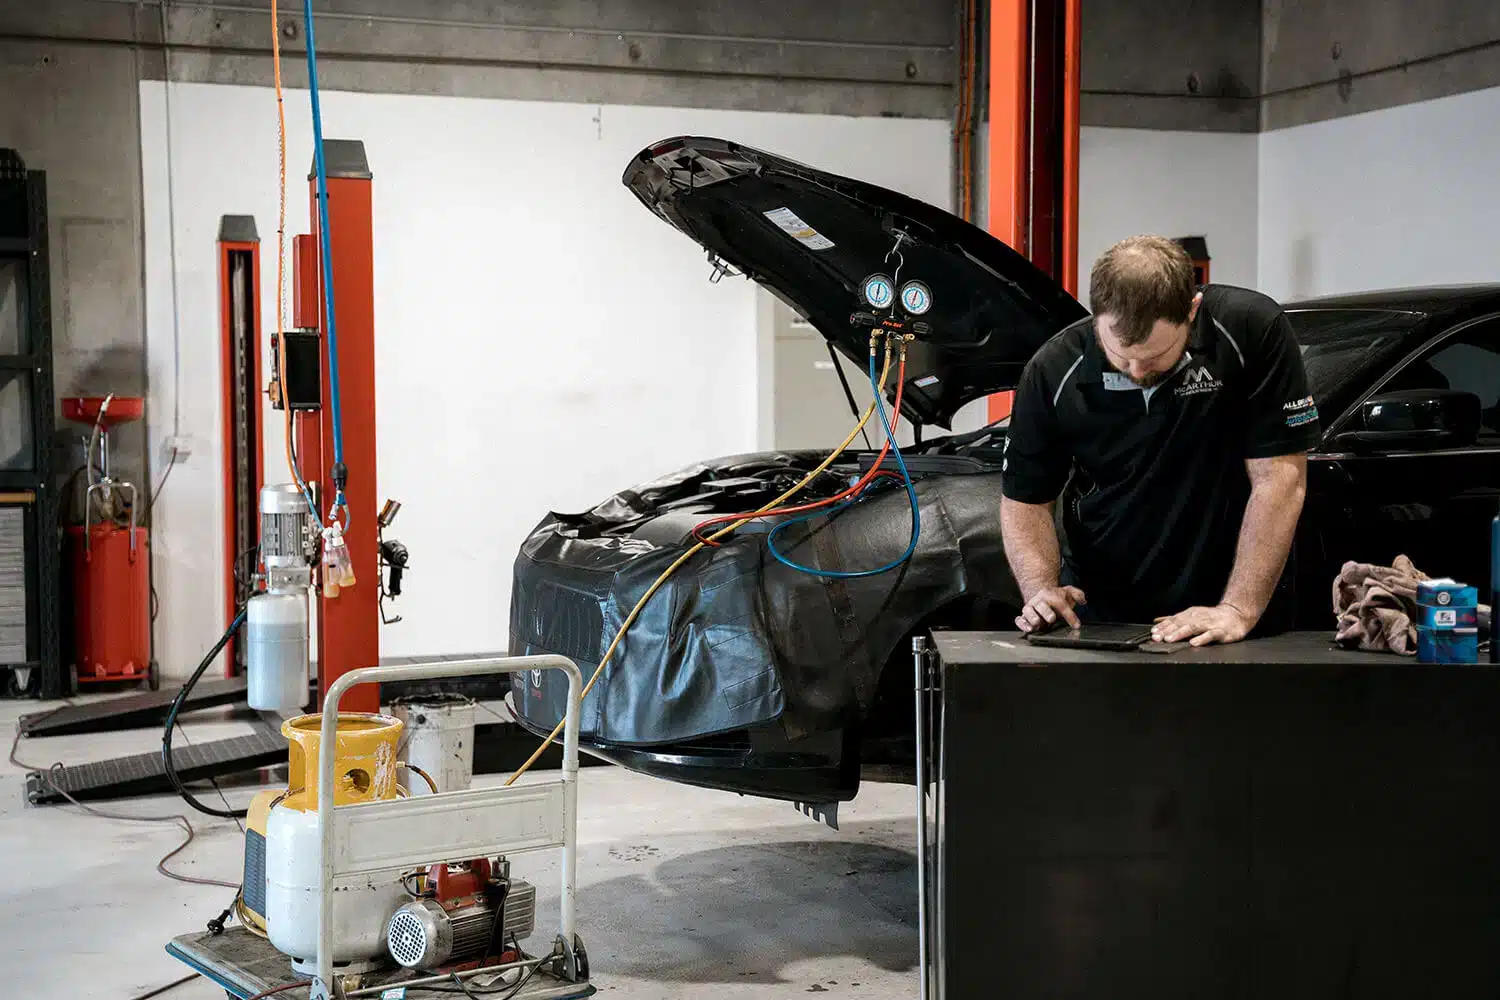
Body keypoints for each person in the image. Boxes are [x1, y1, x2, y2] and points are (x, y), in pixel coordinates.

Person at [998, 235, 1320, 646]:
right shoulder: (1052, 369)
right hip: (1105, 612)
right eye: (1120, 356)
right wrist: (1040, 591)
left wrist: (1239, 609)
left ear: (1192, 310)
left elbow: (1280, 479)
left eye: (1152, 359)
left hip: (1231, 608)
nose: (1134, 370)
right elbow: (1025, 499)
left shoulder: (1251, 331)